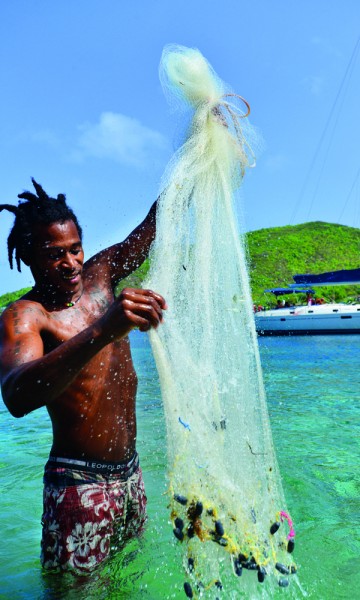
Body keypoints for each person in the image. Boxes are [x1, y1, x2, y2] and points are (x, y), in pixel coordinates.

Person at [0, 179, 167, 574]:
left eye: (75, 249)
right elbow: (17, 394)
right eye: (54, 254)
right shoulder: (26, 315)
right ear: (28, 257)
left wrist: (198, 153)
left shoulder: (101, 278)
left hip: (131, 475)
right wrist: (102, 331)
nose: (70, 262)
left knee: (130, 582)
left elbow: (152, 227)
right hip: (78, 484)